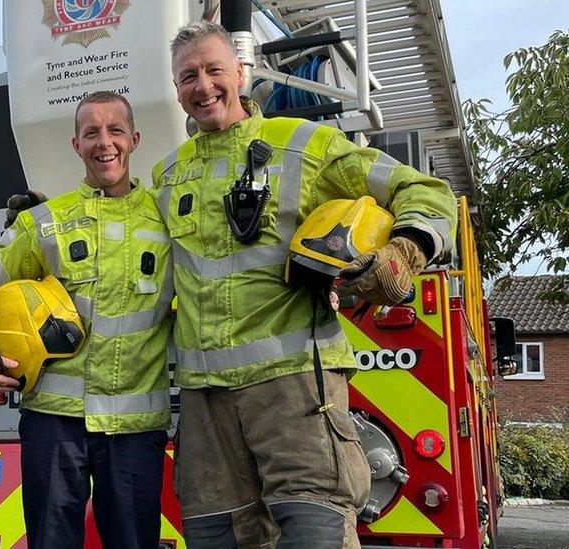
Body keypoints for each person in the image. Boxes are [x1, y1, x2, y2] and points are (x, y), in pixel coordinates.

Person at [154, 21, 458, 548]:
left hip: (294, 388)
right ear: (176, 88)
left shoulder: (305, 145)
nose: (202, 86)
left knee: (315, 530)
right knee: (215, 535)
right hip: (207, 407)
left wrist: (405, 251)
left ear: (241, 73)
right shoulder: (166, 175)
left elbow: (425, 190)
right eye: (187, 77)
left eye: (213, 70)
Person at [0, 91, 173, 549]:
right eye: (90, 132)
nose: (103, 142)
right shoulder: (43, 223)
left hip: (134, 429)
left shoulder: (168, 220)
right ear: (75, 144)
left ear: (134, 139)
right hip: (53, 424)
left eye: (114, 130)